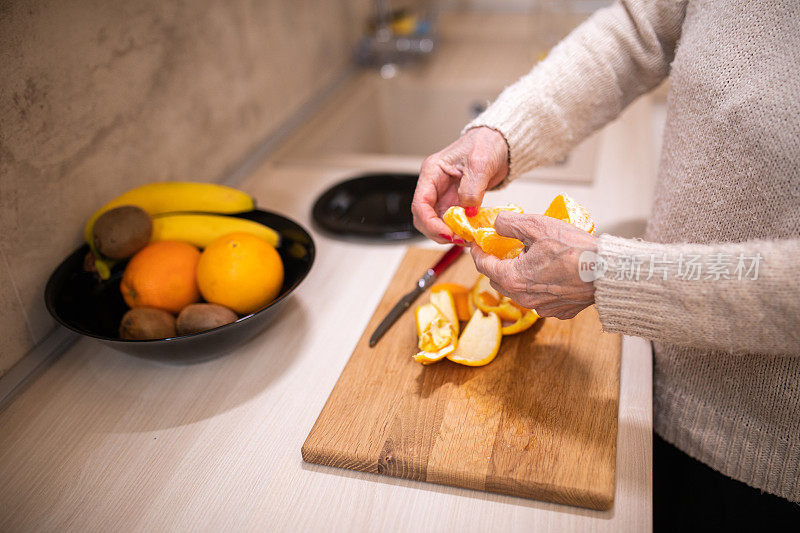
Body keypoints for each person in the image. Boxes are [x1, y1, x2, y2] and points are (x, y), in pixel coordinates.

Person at [411, 0, 799, 528]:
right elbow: (640, 29)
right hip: (648, 373)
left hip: (762, 458)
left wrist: (614, 275)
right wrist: (499, 134)